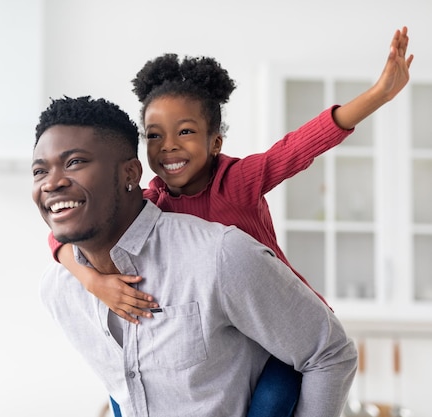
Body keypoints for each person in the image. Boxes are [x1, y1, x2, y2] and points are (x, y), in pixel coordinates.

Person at [47, 27, 413, 416]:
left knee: (273, 399)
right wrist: (93, 281)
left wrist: (379, 94)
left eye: (185, 131)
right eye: (154, 135)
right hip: (222, 335)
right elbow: (67, 235)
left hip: (276, 332)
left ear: (215, 142)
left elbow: (302, 144)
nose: (168, 145)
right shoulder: (153, 201)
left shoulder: (238, 181)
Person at [32, 95, 358, 417]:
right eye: (39, 171)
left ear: (130, 174)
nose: (52, 183)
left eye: (75, 162)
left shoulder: (221, 254)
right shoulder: (60, 289)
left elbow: (330, 354)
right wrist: (90, 280)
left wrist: (379, 93)